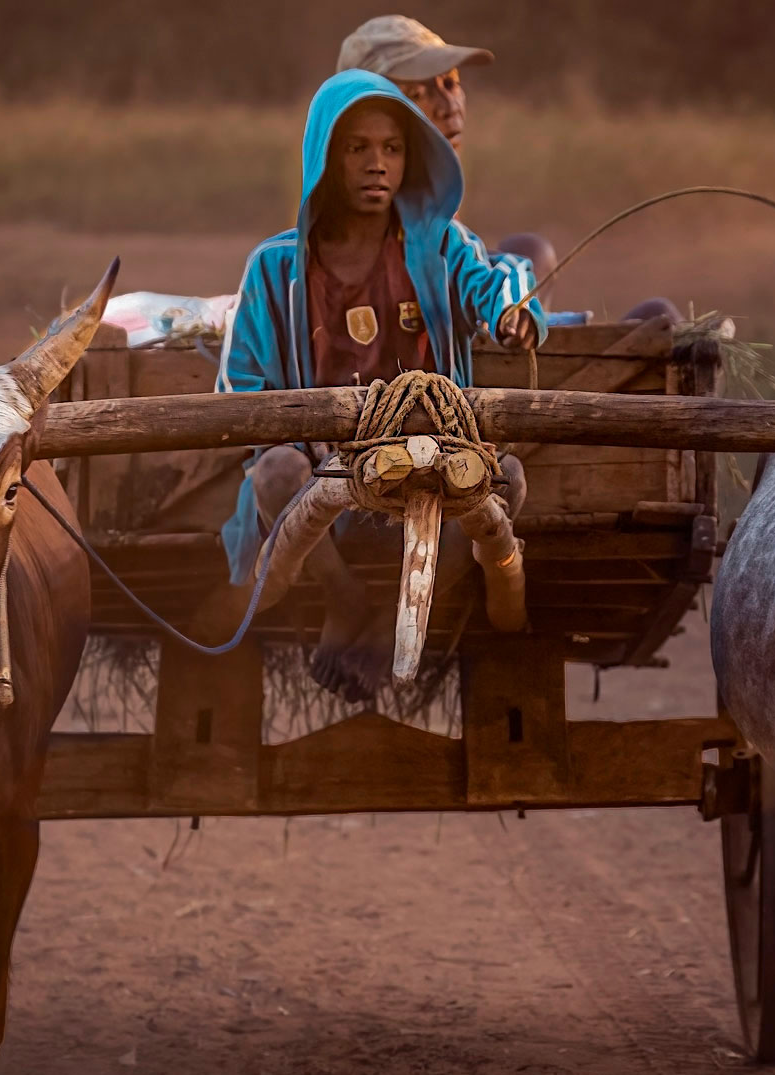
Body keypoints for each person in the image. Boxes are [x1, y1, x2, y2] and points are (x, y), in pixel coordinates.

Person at [217, 70, 546, 701]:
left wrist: (512, 313)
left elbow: (497, 280)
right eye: (357, 148)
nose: (377, 165)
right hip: (325, 474)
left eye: (391, 149)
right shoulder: (275, 268)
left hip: (439, 466)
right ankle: (346, 605)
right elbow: (239, 393)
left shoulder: (443, 247)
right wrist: (310, 438)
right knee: (274, 475)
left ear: (409, 159)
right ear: (324, 157)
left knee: (507, 479)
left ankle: (397, 615)